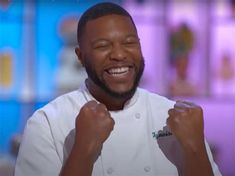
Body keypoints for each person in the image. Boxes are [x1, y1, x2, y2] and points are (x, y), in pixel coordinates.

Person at [15, 2, 221, 176]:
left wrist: (195, 148)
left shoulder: (176, 116)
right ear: (80, 56)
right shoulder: (47, 124)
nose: (119, 55)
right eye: (103, 46)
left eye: (129, 42)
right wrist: (83, 148)